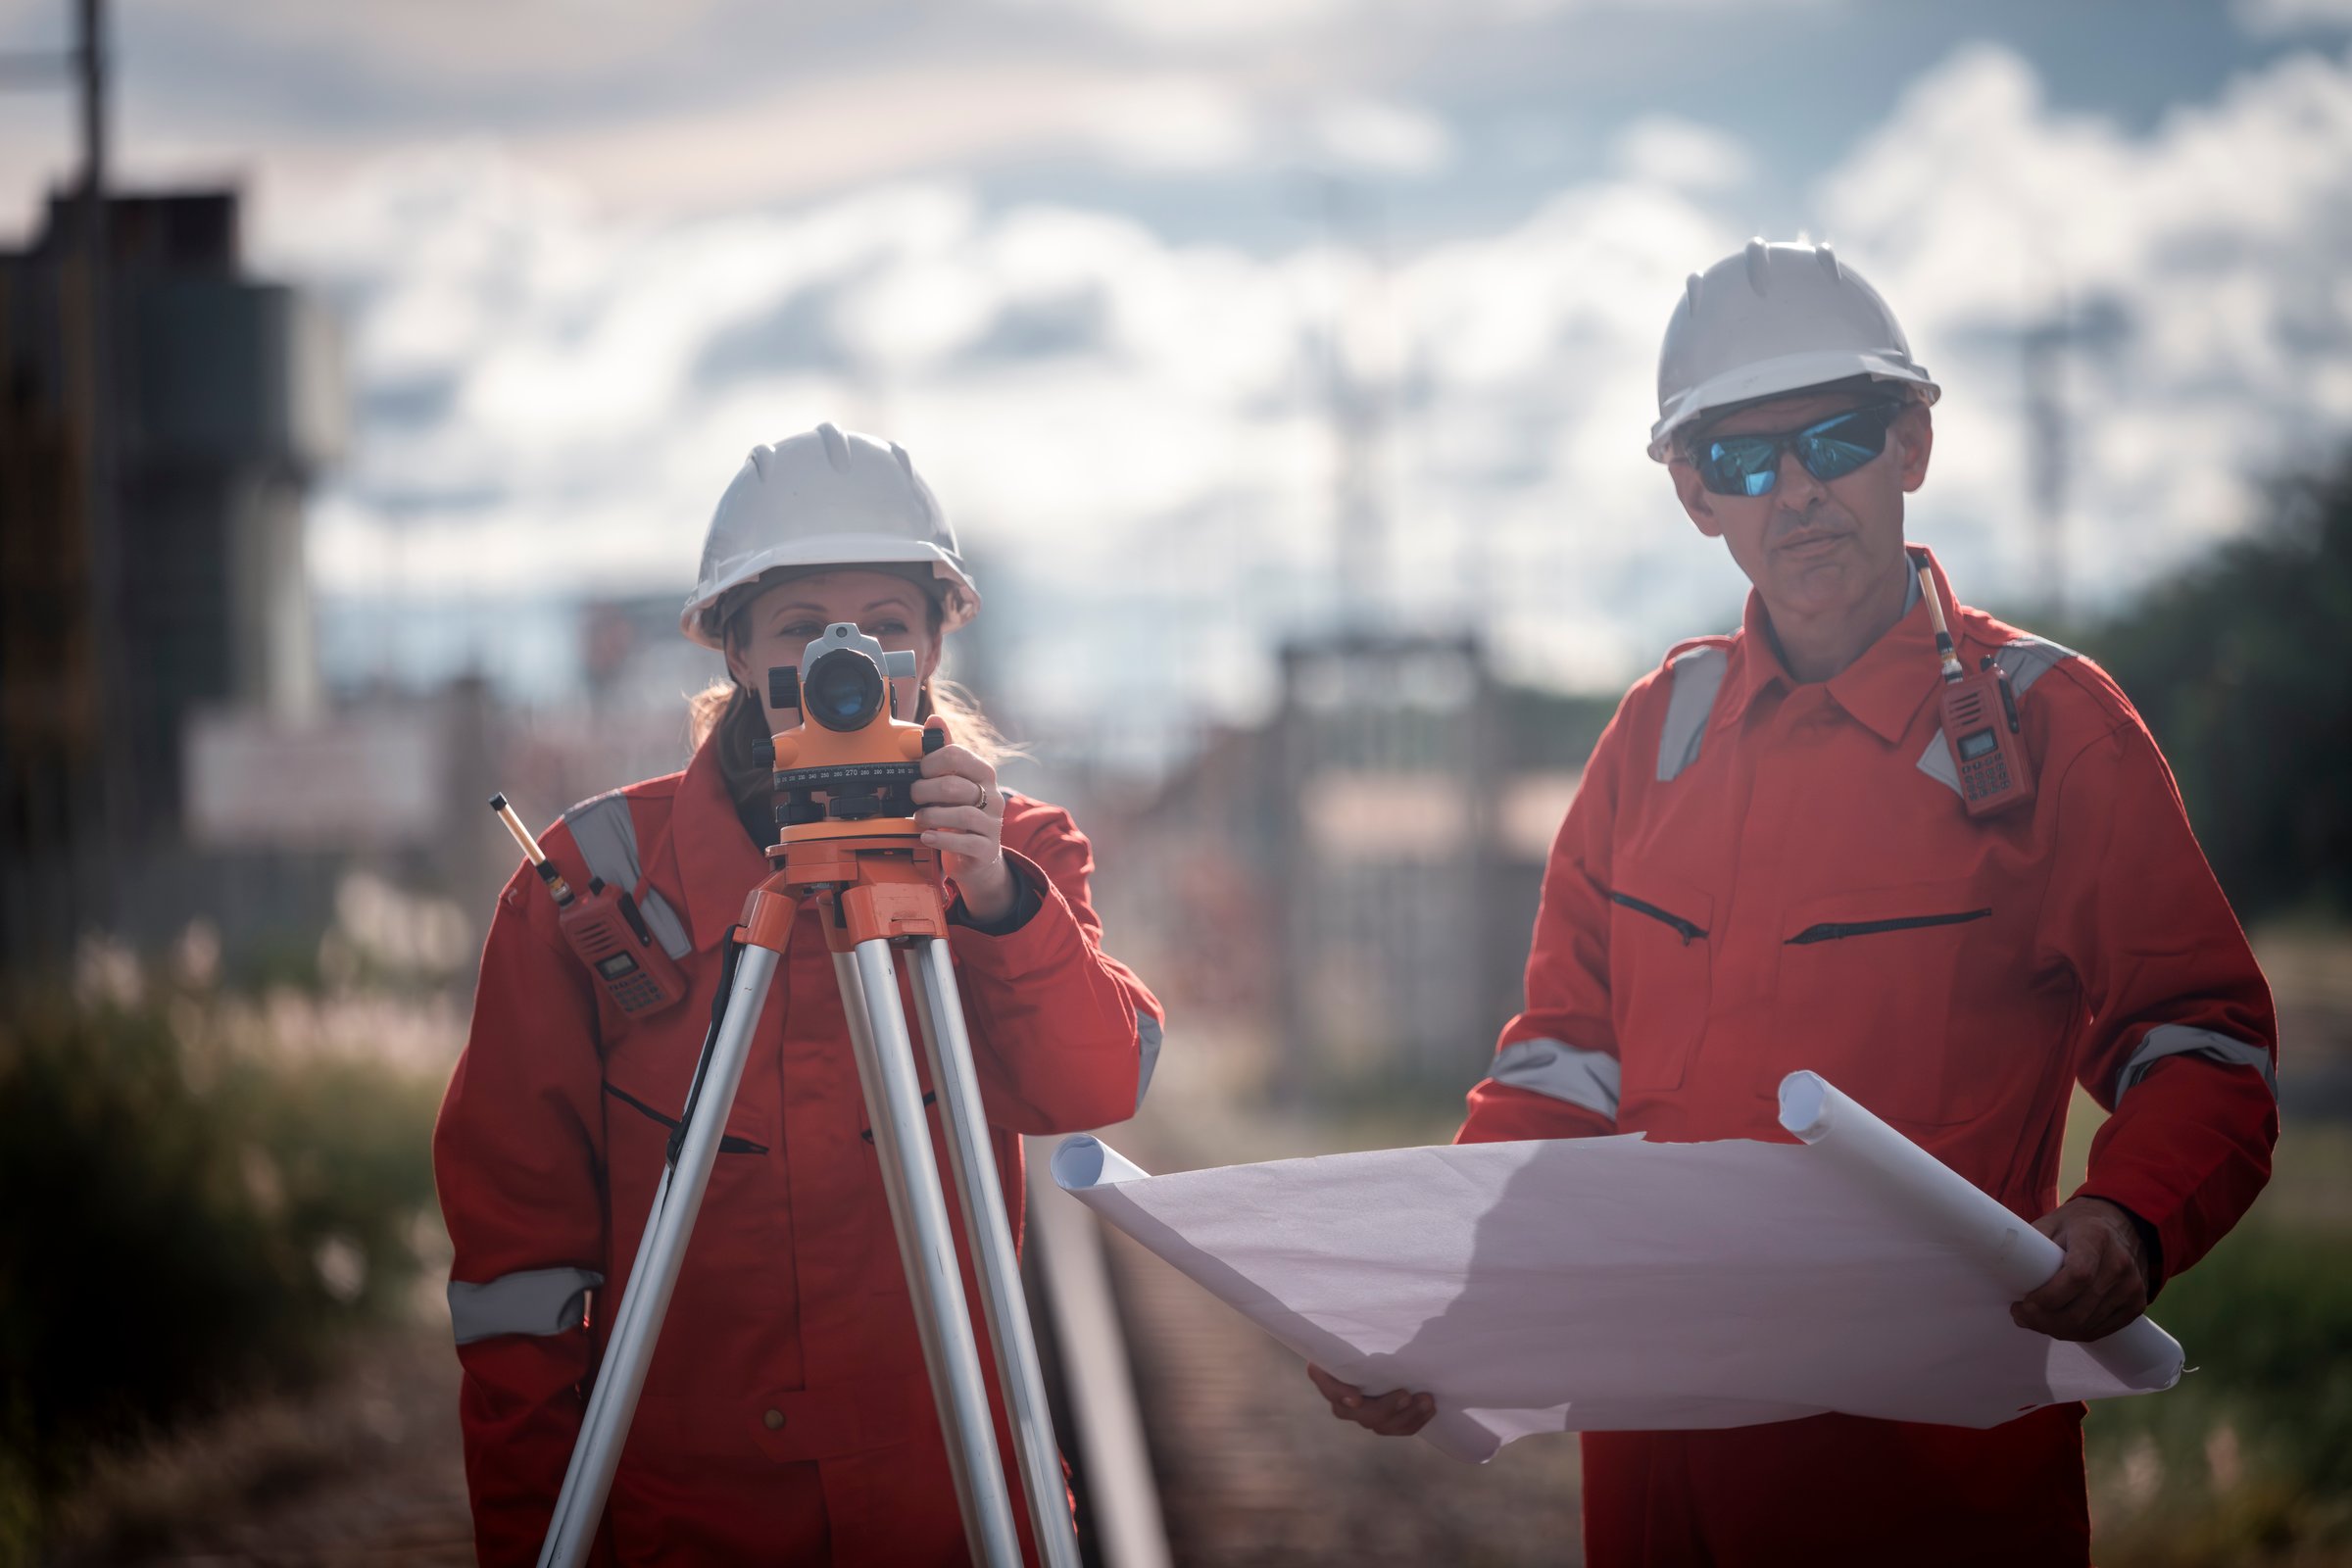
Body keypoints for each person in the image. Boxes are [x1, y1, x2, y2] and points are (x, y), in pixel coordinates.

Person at [1307, 240, 2278, 1565]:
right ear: (1696, 496)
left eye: (1835, 438)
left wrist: (2129, 1214)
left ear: (1912, 444)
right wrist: (1438, 1307)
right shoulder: (1657, 734)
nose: (1799, 492)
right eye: (1746, 463)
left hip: (1922, 1488)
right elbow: (1560, 1074)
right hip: (1660, 1477)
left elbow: (2201, 1044)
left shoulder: (2054, 730)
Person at [435, 422, 1165, 1564]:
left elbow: (1098, 1078)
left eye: (884, 629)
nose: (845, 662)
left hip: (954, 1505)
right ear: (732, 649)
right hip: (693, 1522)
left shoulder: (1010, 852)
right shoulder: (591, 885)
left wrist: (988, 899)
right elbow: (515, 1274)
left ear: (933, 645)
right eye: (801, 630)